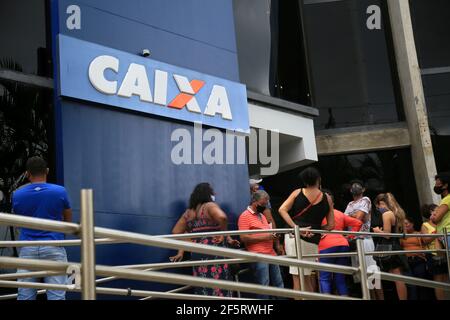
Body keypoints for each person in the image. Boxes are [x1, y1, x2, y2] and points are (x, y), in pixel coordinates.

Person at [12, 156, 72, 300]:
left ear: (27, 174)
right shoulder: (60, 191)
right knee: (56, 295)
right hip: (53, 246)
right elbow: (68, 220)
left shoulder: (17, 195)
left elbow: (17, 221)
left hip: (28, 247)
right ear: (47, 171)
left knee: (25, 296)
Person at [170, 182, 239, 297]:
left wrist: (191, 243)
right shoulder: (209, 206)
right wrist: (223, 234)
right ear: (207, 194)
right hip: (214, 251)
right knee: (220, 283)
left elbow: (175, 232)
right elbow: (222, 217)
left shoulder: (188, 213)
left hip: (197, 252)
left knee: (203, 284)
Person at [278, 167, 334, 293]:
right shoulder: (327, 197)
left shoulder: (297, 192)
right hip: (313, 238)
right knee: (307, 276)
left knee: (297, 277)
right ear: (319, 179)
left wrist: (296, 227)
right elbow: (331, 225)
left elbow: (282, 209)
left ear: (304, 181)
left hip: (295, 237)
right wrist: (316, 229)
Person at [238, 190, 284, 298]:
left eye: (266, 203)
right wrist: (267, 237)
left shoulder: (262, 215)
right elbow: (243, 238)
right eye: (263, 204)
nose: (265, 206)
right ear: (254, 202)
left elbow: (269, 230)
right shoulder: (244, 216)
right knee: (264, 285)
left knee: (279, 283)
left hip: (271, 253)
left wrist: (274, 237)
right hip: (258, 255)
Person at [318, 190, 362, 296]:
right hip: (343, 244)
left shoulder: (318, 215)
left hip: (326, 245)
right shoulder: (340, 214)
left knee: (324, 278)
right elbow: (359, 223)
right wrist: (349, 236)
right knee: (340, 277)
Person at [344, 180, 381, 299]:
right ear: (350, 190)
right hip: (353, 241)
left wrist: (351, 216)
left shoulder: (366, 199)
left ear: (363, 189)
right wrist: (355, 216)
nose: (355, 187)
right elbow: (344, 220)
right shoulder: (350, 204)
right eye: (352, 185)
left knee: (373, 275)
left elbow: (359, 218)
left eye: (358, 185)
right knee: (362, 276)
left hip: (365, 240)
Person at [373, 193, 409, 300]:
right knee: (398, 277)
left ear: (382, 204)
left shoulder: (387, 214)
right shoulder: (399, 213)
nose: (378, 209)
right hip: (396, 245)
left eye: (378, 205)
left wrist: (377, 231)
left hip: (390, 247)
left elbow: (387, 235)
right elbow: (404, 235)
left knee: (397, 277)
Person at [249, 178, 284, 255]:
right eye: (256, 184)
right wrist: (277, 244)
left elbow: (269, 220)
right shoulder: (261, 199)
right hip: (261, 244)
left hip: (263, 242)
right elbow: (270, 220)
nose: (258, 186)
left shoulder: (262, 198)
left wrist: (277, 243)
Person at [421, 204, 449, 300]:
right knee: (438, 280)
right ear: (431, 212)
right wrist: (436, 233)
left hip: (443, 253)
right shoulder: (425, 225)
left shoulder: (441, 222)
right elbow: (425, 240)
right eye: (437, 210)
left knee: (446, 278)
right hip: (433, 254)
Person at [401, 217, 431, 300]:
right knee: (411, 285)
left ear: (412, 224)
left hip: (419, 260)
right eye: (404, 224)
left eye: (407, 223)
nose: (406, 225)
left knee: (421, 283)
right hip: (407, 262)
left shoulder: (418, 233)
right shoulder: (401, 236)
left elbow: (425, 244)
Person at [431, 172, 450, 248]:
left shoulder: (447, 199)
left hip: (448, 233)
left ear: (445, 185)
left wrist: (433, 216)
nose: (435, 186)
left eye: (437, 183)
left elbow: (436, 218)